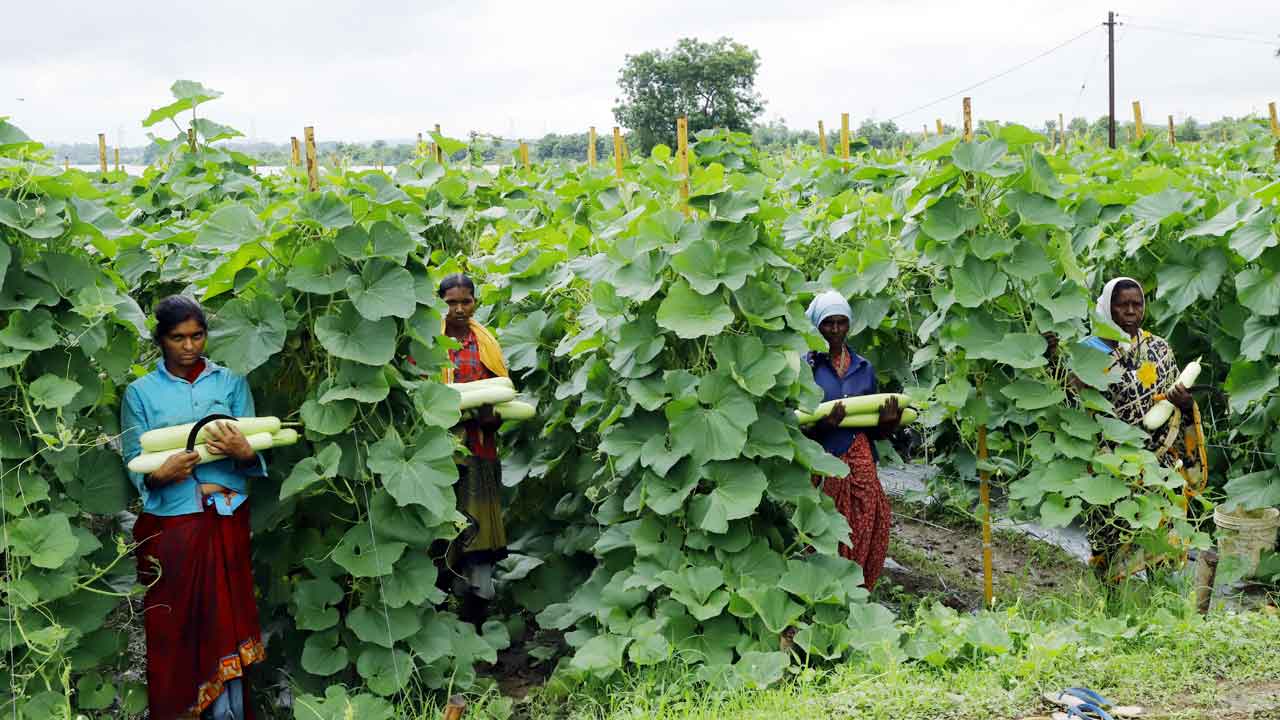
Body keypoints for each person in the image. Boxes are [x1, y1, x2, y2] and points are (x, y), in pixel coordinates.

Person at [120, 296, 268, 720]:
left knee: (226, 619)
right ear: (161, 340)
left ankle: (228, 713)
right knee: (176, 627)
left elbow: (253, 454)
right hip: (172, 526)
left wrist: (242, 451)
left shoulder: (231, 384)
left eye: (197, 335)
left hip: (224, 518)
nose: (189, 346)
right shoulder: (140, 393)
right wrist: (159, 474)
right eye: (177, 338)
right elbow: (134, 460)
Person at [1071, 277, 1206, 580]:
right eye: (1123, 305)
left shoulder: (1159, 348)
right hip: (1110, 460)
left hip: (1158, 459)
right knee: (1111, 534)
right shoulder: (1089, 351)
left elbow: (1174, 398)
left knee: (1162, 533)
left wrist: (1183, 403)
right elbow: (1071, 406)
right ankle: (1113, 594)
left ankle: (1162, 591)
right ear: (1108, 307)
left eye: (1137, 304)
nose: (1131, 311)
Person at [802, 290, 902, 591]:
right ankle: (822, 593)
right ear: (816, 326)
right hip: (822, 459)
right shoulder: (807, 367)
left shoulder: (864, 368)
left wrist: (889, 424)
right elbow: (796, 424)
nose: (834, 330)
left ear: (848, 325)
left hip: (859, 459)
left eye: (840, 322)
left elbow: (872, 428)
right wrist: (821, 426)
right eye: (828, 323)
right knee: (824, 528)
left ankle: (856, 590)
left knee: (867, 525)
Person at [438, 273, 510, 626]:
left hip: (480, 452)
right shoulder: (429, 344)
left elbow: (500, 406)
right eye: (451, 302)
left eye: (466, 301)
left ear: (475, 303)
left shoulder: (487, 344)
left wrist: (489, 419)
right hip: (439, 455)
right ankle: (440, 612)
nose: (459, 309)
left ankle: (475, 617)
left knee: (479, 537)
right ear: (442, 304)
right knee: (440, 533)